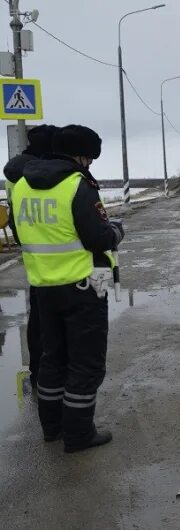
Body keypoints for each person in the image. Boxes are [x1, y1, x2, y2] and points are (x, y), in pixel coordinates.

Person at [10, 125, 124, 453]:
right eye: (88, 158)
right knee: (85, 364)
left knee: (51, 359)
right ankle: (78, 435)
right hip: (82, 287)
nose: (89, 164)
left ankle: (52, 428)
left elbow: (20, 236)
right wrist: (117, 231)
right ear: (80, 156)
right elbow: (99, 238)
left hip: (43, 288)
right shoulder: (77, 186)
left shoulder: (22, 188)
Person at [4, 124, 60, 391]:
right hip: (60, 255)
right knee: (60, 324)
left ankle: (38, 374)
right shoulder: (47, 173)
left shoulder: (13, 175)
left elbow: (16, 214)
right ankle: (55, 379)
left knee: (37, 317)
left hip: (32, 250)